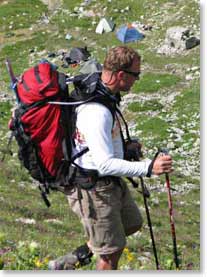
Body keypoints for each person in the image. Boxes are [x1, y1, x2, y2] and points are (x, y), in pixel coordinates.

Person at [60, 46, 173, 270]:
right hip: (94, 188)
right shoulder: (96, 111)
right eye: (136, 75)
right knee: (110, 254)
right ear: (121, 75)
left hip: (108, 183)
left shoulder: (105, 94)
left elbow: (98, 144)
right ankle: (82, 257)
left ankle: (80, 254)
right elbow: (103, 163)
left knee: (131, 224)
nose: (137, 80)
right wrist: (149, 167)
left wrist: (125, 147)